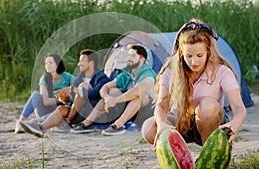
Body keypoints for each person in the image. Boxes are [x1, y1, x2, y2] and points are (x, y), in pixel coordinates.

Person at [141, 19, 247, 148]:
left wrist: (235, 123)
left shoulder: (222, 71)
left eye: (199, 55)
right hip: (182, 121)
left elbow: (239, 108)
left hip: (211, 123)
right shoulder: (170, 72)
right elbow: (162, 106)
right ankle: (180, 159)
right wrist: (162, 124)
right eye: (189, 56)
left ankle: (210, 152)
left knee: (208, 105)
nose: (194, 61)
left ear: (208, 51)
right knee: (148, 127)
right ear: (181, 53)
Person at [19, 49, 110, 137]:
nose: (78, 64)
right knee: (61, 109)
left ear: (91, 63)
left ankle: (65, 121)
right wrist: (65, 98)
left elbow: (96, 94)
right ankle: (41, 128)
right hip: (77, 113)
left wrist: (74, 90)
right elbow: (73, 98)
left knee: (83, 86)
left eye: (82, 61)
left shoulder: (101, 76)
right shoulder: (80, 76)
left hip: (90, 112)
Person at [71, 45, 157, 136]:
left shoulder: (148, 75)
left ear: (142, 59)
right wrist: (107, 98)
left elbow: (136, 92)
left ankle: (118, 125)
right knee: (112, 91)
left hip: (147, 114)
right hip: (131, 112)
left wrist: (115, 100)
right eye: (128, 55)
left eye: (133, 56)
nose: (129, 58)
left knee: (139, 96)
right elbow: (105, 87)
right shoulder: (127, 73)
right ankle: (87, 123)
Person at [15, 54, 74, 133]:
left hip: (61, 110)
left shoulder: (68, 77)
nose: (47, 65)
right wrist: (60, 99)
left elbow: (75, 92)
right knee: (36, 94)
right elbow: (46, 102)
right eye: (46, 63)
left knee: (64, 107)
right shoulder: (44, 79)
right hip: (46, 110)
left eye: (50, 63)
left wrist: (65, 98)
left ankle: (32, 123)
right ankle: (20, 122)